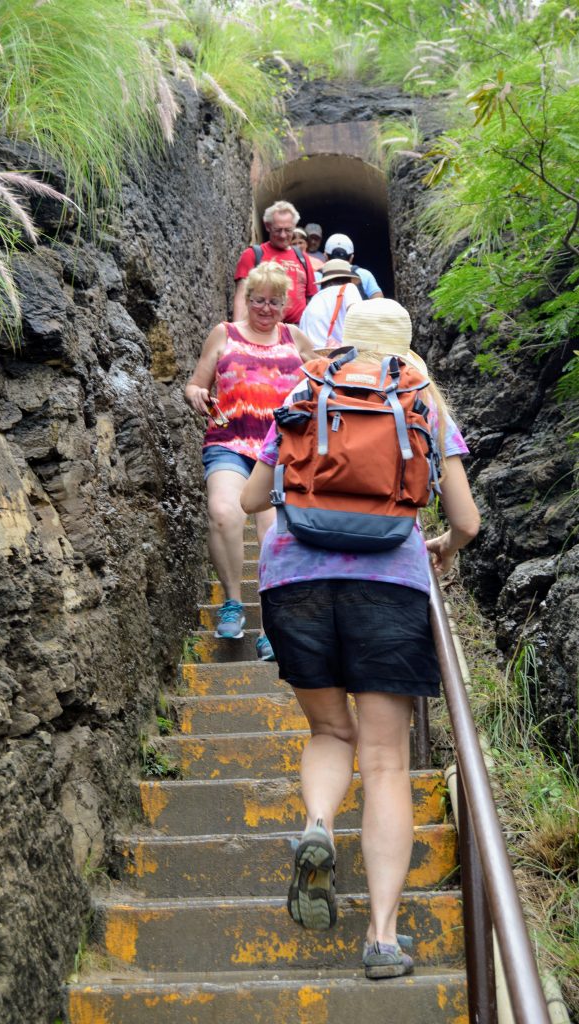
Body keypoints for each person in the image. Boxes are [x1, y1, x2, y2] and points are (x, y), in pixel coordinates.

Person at [240, 299, 480, 977]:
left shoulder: (304, 388)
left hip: (294, 582)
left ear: (344, 341)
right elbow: (465, 518)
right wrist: (445, 546)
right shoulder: (419, 399)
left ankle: (317, 826)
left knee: (328, 734)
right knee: (383, 763)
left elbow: (254, 500)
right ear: (405, 347)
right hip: (389, 587)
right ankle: (378, 937)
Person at [185, 262, 315, 660]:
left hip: (281, 450)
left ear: (285, 304)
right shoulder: (224, 334)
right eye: (258, 300)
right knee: (224, 512)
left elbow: (323, 380)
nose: (265, 308)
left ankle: (271, 627)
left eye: (274, 302)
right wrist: (195, 395)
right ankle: (230, 603)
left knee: (274, 534)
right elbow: (196, 382)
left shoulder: (296, 338)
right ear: (246, 299)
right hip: (229, 440)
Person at [233, 201, 318, 325]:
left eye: (288, 230)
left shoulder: (302, 258)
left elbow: (311, 298)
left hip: (296, 331)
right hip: (261, 328)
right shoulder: (253, 255)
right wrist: (237, 332)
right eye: (278, 230)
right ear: (267, 226)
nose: (283, 235)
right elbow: (241, 296)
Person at [298, 258, 363, 349]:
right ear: (348, 279)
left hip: (311, 358)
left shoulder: (315, 299)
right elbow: (360, 319)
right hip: (336, 357)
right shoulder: (349, 288)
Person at [324, 233, 384, 299]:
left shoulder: (317, 277)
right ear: (351, 258)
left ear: (325, 256)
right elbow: (379, 300)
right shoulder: (365, 275)